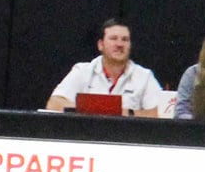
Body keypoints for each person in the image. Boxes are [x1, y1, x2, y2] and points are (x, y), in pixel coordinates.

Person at [45, 18, 175, 117]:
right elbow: (54, 104)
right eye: (113, 38)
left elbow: (161, 112)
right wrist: (99, 110)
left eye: (125, 39)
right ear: (100, 45)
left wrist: (127, 114)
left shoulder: (144, 76)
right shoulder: (82, 71)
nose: (119, 44)